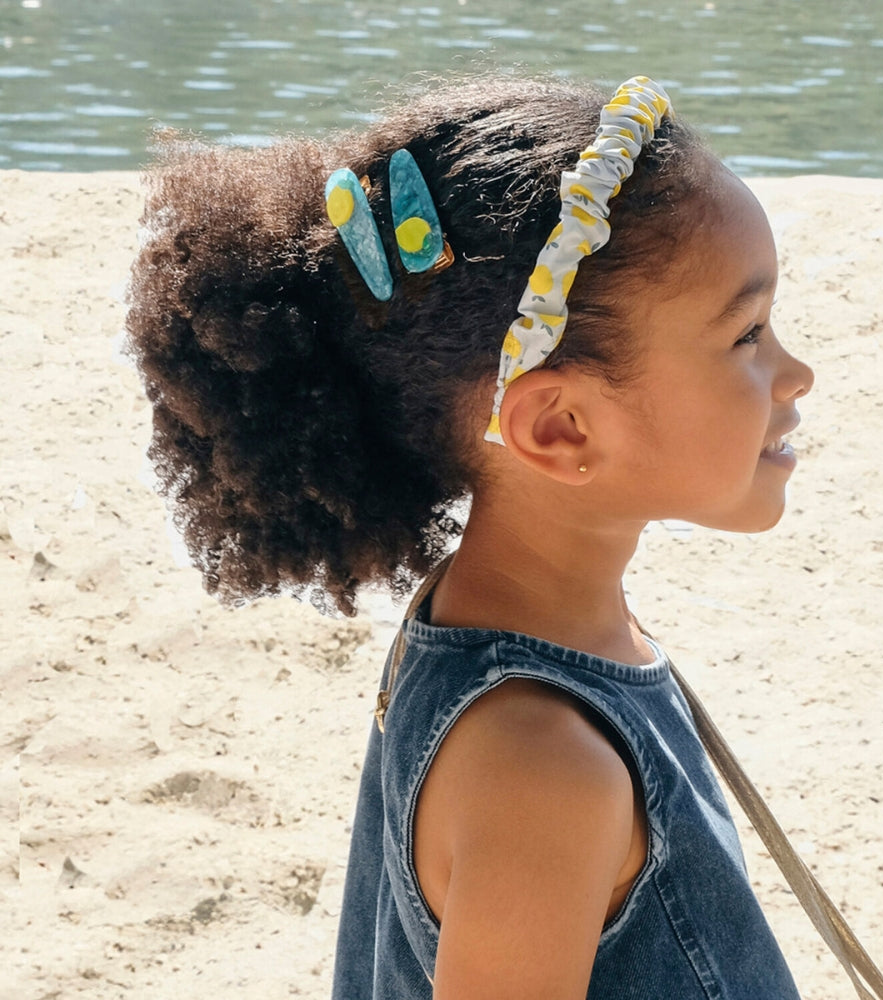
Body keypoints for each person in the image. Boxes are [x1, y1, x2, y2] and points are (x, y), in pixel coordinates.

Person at [126, 74, 814, 999]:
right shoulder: (543, 768)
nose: (796, 373)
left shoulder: (510, 618)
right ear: (559, 429)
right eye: (747, 335)